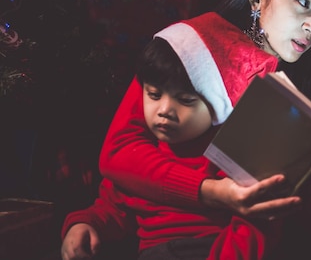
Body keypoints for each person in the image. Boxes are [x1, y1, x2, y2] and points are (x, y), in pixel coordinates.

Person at [67, 0, 311, 258]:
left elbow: (285, 200)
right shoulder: (188, 48)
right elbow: (124, 156)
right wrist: (91, 220)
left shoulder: (289, 84)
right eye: (304, 3)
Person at [61, 33, 281, 260]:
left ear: (219, 104)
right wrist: (84, 224)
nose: (164, 109)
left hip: (209, 250)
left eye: (185, 100)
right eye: (154, 95)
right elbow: (113, 208)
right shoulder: (140, 160)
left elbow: (255, 226)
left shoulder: (228, 153)